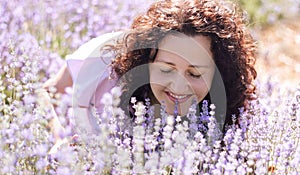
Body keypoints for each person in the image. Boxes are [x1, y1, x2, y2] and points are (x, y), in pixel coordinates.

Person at [44, 0, 257, 137]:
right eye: (166, 69)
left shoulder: (226, 113)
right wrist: (57, 137)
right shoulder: (103, 62)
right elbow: (44, 94)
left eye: (194, 73)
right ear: (148, 61)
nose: (178, 86)